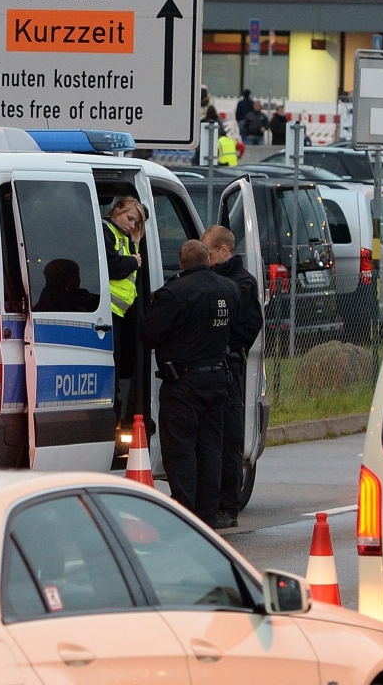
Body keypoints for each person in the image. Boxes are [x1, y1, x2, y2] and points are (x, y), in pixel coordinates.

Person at [138, 239, 239, 524]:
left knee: (181, 449)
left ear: (182, 264)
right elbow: (239, 327)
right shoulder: (229, 289)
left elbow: (148, 334)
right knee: (210, 448)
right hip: (218, 378)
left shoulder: (174, 294)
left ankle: (185, 515)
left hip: (183, 383)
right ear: (208, 260)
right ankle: (207, 515)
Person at [204, 225, 264, 529]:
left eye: (210, 253)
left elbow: (247, 328)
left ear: (224, 251)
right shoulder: (222, 281)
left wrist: (227, 347)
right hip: (214, 367)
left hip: (230, 368)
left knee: (228, 439)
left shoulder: (241, 284)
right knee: (212, 439)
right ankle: (212, 502)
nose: (207, 260)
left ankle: (228, 505)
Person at [101, 196, 146, 422]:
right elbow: (113, 266)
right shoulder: (106, 230)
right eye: (129, 218)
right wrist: (134, 261)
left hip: (118, 314)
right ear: (116, 210)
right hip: (105, 311)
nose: (131, 225)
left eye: (136, 222)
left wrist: (136, 243)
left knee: (119, 367)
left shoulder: (124, 238)